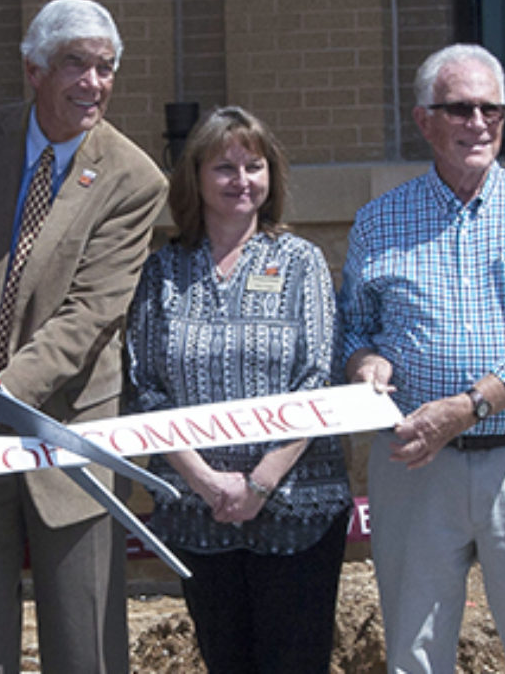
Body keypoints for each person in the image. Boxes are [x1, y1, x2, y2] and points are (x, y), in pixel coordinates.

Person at [0, 0, 165, 673]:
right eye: (76, 63)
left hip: (69, 436)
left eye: (106, 67)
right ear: (33, 69)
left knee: (85, 646)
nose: (93, 83)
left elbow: (88, 317)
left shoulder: (134, 178)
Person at [337, 43, 505, 673]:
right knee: (414, 656)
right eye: (459, 109)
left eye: (492, 110)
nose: (478, 123)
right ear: (424, 120)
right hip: (415, 467)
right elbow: (354, 330)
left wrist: (471, 405)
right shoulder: (377, 220)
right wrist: (366, 364)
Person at [123, 106, 351, 672]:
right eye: (225, 167)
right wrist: (205, 482)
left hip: (300, 512)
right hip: (198, 516)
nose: (241, 181)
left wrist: (259, 483)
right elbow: (146, 388)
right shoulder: (163, 272)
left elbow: (317, 380)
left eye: (254, 166)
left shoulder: (301, 262)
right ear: (195, 177)